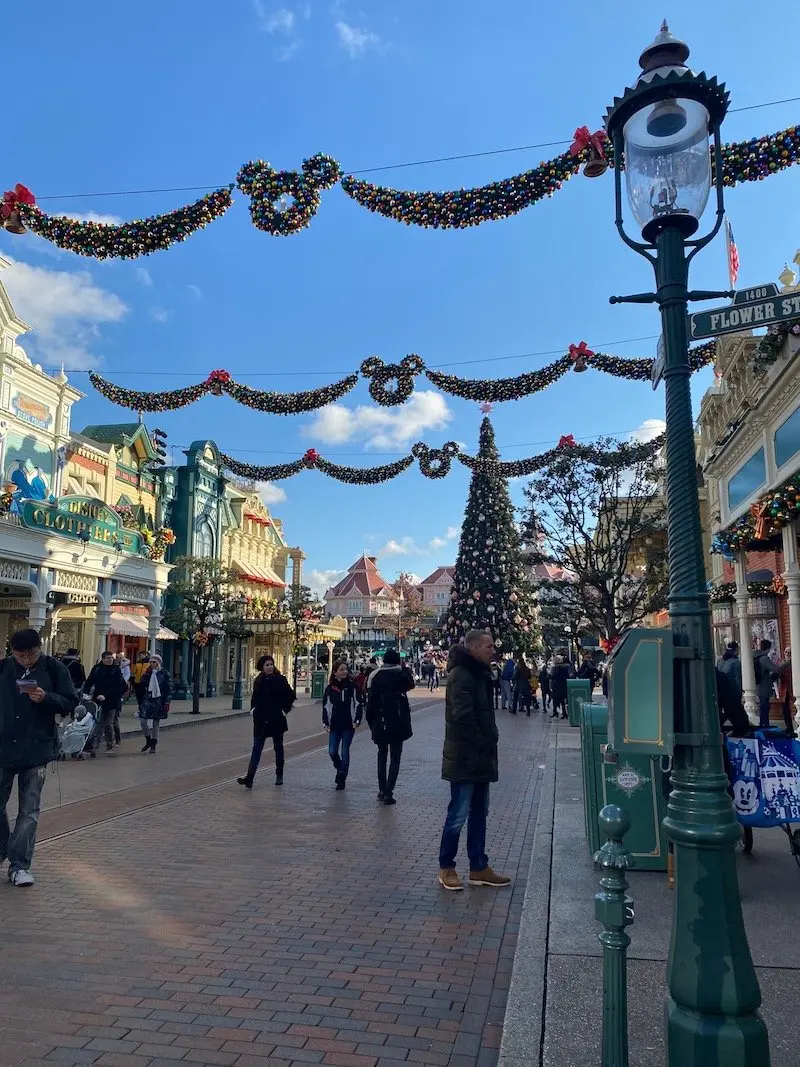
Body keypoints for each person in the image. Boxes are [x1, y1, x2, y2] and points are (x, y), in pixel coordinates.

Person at [0, 628, 78, 886]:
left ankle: (19, 865)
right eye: (20, 656)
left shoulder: (55, 669)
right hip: (3, 747)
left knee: (29, 810)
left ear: (39, 648)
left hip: (37, 749)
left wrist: (47, 698)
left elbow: (70, 702)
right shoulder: (4, 669)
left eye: (30, 655)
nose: (25, 660)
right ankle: (3, 848)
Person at [438, 631, 511, 891]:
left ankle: (479, 866)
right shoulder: (462, 675)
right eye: (488, 646)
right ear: (475, 648)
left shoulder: (480, 673)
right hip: (465, 757)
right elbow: (463, 717)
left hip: (480, 756)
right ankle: (447, 867)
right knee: (458, 814)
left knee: (480, 813)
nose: (493, 649)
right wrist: (484, 740)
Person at [366, 647, 415, 805]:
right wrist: (404, 667)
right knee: (395, 757)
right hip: (398, 722)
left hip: (381, 722)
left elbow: (371, 703)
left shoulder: (377, 676)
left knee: (382, 755)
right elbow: (411, 683)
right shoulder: (401, 676)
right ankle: (389, 791)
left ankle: (381, 789)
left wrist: (371, 722)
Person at [237, 654, 295, 788]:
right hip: (261, 719)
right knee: (257, 748)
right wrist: (253, 710)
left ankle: (279, 774)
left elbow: (290, 696)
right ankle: (250, 777)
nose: (270, 667)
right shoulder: (259, 681)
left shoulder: (280, 680)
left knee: (278, 747)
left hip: (276, 718)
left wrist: (284, 710)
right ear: (262, 667)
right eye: (267, 665)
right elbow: (255, 698)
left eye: (271, 664)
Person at [322, 661, 363, 790]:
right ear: (335, 673)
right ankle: (340, 769)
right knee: (332, 751)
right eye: (341, 669)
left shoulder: (352, 686)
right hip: (335, 724)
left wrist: (357, 719)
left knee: (345, 751)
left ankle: (342, 777)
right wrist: (326, 722)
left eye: (345, 669)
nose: (344, 672)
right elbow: (326, 706)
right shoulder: (330, 688)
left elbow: (358, 703)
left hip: (348, 724)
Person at [85, 650, 127, 752]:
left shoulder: (115, 670)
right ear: (103, 659)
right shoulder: (97, 669)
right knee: (97, 722)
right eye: (108, 658)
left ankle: (109, 745)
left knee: (109, 723)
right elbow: (89, 681)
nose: (110, 660)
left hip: (112, 701)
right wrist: (85, 693)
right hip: (97, 699)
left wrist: (106, 696)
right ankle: (95, 744)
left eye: (111, 658)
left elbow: (118, 687)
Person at [138, 654, 171, 752]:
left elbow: (168, 688)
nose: (152, 664)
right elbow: (141, 685)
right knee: (143, 721)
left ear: (158, 663)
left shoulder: (164, 674)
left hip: (158, 701)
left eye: (154, 662)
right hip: (147, 700)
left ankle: (153, 744)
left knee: (155, 723)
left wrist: (167, 702)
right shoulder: (147, 673)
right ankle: (148, 739)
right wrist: (146, 675)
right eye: (151, 662)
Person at [753, 639, 787, 729]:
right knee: (764, 706)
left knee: (763, 706)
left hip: (757, 685)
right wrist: (787, 663)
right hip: (764, 685)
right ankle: (764, 726)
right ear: (768, 649)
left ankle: (763, 724)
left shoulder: (754, 656)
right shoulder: (764, 659)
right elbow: (777, 670)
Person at [549, 654, 573, 719]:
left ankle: (557, 712)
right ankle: (564, 713)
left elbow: (555, 676)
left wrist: (549, 676)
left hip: (557, 686)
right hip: (564, 685)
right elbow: (568, 676)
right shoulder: (566, 668)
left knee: (556, 700)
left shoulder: (557, 668)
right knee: (563, 701)